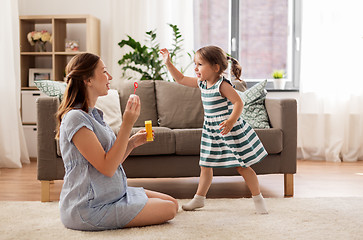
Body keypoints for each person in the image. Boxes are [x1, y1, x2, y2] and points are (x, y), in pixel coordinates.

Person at [55, 53, 178, 231]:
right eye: (104, 72)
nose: (110, 77)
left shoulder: (94, 114)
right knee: (169, 209)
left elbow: (109, 160)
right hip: (90, 207)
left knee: (172, 202)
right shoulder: (75, 118)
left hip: (114, 194)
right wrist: (127, 123)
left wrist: (132, 143)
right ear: (87, 80)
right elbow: (107, 167)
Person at [160, 46, 268, 214]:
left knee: (242, 166)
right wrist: (168, 63)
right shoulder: (202, 83)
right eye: (195, 64)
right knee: (205, 165)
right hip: (211, 131)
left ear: (216, 67)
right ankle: (199, 199)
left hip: (228, 131)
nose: (195, 68)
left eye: (200, 64)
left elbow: (239, 103)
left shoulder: (222, 85)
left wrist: (231, 121)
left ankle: (258, 199)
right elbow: (180, 78)